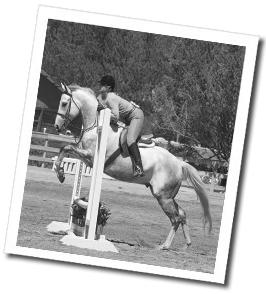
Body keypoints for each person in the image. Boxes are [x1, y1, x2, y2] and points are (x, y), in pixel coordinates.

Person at [98, 75, 145, 177]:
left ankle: (139, 167)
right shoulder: (100, 97)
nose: (100, 85)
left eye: (102, 84)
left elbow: (115, 116)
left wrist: (102, 110)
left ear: (108, 88)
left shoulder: (111, 98)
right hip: (127, 118)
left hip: (135, 116)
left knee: (130, 140)